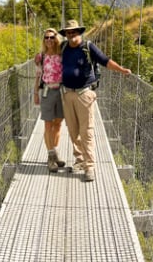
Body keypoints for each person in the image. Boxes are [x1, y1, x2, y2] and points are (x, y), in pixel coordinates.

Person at [58, 19, 131, 182]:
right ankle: (80, 160)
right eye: (68, 32)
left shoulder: (88, 47)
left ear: (79, 32)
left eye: (74, 31)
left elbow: (105, 61)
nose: (71, 34)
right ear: (66, 34)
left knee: (87, 132)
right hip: (67, 94)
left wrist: (121, 70)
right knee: (73, 131)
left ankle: (89, 166)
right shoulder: (62, 48)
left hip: (84, 93)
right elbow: (51, 60)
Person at [33, 28, 66, 173]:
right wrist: (35, 93)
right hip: (47, 91)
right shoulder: (41, 57)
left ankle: (55, 152)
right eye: (46, 38)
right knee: (48, 125)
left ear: (56, 38)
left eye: (52, 37)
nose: (49, 40)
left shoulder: (62, 54)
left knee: (58, 124)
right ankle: (51, 157)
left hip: (61, 91)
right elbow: (38, 76)